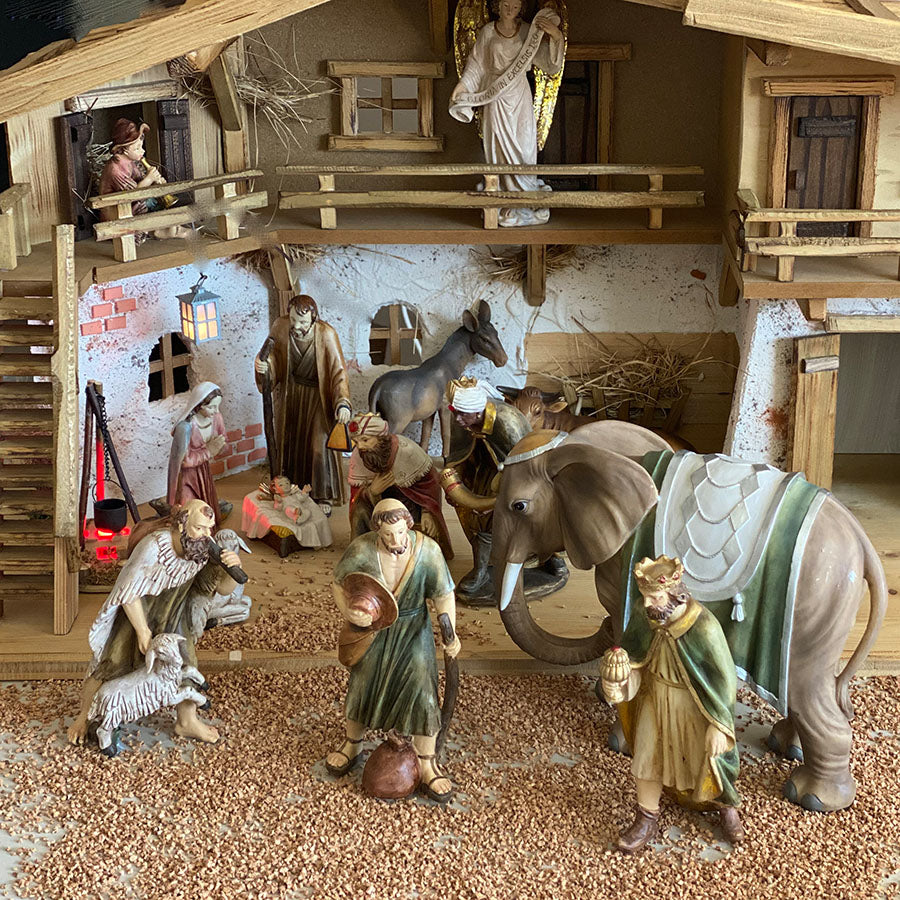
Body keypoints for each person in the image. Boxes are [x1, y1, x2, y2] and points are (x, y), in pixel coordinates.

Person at [67, 500, 242, 748]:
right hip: (139, 612)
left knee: (186, 660)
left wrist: (233, 567)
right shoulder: (154, 547)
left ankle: (187, 720)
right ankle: (85, 716)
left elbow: (222, 589)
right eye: (199, 528)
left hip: (174, 611)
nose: (206, 535)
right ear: (182, 525)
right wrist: (142, 630)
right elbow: (128, 591)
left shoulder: (202, 547)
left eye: (209, 528)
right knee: (114, 659)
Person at [600, 555, 744, 853]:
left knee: (708, 758)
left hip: (695, 705)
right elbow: (635, 658)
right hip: (654, 697)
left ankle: (726, 805)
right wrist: (620, 682)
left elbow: (724, 681)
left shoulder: (704, 627)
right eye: (645, 597)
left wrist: (719, 726)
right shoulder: (645, 615)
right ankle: (646, 817)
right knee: (646, 756)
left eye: (655, 597)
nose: (648, 604)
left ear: (675, 594)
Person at [326, 499, 460, 802]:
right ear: (377, 531)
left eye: (400, 532)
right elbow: (338, 584)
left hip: (414, 630)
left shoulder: (428, 551)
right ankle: (352, 744)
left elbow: (444, 594)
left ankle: (427, 762)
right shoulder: (362, 550)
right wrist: (350, 612)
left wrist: (450, 633)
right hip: (374, 630)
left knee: (422, 688)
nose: (395, 539)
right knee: (362, 683)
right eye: (387, 534)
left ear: (408, 525)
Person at [449, 0, 565, 227]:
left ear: (521, 7)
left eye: (515, 5)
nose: (511, 9)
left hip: (520, 95)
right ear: (497, 6)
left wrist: (556, 36)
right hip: (495, 98)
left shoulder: (529, 31)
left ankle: (525, 197)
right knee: (498, 149)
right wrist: (462, 87)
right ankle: (503, 198)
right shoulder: (487, 32)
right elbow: (477, 65)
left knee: (525, 146)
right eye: (506, 4)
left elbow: (550, 65)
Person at [254, 295, 351, 515]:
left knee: (319, 445)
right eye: (293, 320)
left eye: (303, 322)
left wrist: (343, 403)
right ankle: (292, 488)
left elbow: (338, 372)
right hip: (292, 394)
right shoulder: (280, 327)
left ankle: (322, 494)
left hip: (319, 397)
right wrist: (264, 366)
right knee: (292, 442)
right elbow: (273, 357)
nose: (296, 326)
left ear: (314, 319)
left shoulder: (326, 334)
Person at [347, 412, 453, 559]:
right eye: (356, 442)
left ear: (380, 437)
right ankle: (362, 554)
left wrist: (427, 512)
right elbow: (355, 496)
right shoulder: (359, 456)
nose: (360, 447)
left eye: (365, 440)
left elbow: (429, 484)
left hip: (410, 506)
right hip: (376, 508)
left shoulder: (407, 450)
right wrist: (371, 491)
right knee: (359, 510)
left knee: (420, 536)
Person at [98, 117, 190, 240]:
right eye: (137, 148)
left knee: (157, 202)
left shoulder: (130, 162)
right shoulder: (115, 169)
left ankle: (167, 227)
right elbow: (131, 195)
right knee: (150, 206)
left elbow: (140, 181)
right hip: (119, 210)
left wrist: (157, 183)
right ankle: (158, 230)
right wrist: (149, 179)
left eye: (141, 146)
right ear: (124, 149)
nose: (142, 151)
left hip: (134, 203)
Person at [164, 381, 230, 528]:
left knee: (205, 506)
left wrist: (220, 446)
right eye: (211, 407)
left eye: (218, 406)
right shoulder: (186, 427)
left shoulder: (216, 418)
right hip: (188, 477)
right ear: (199, 405)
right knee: (189, 509)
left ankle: (206, 529)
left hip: (204, 472)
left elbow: (224, 443)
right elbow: (184, 461)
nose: (216, 411)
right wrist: (209, 451)